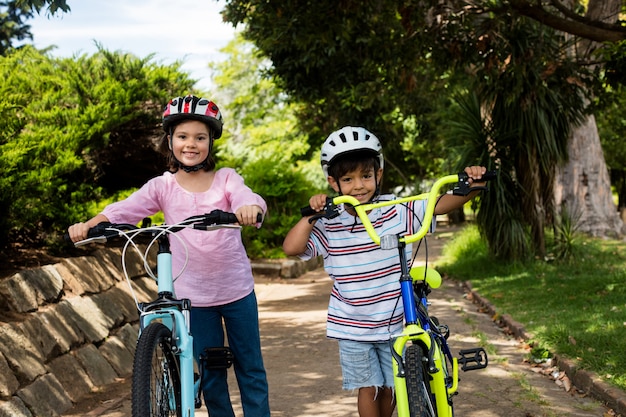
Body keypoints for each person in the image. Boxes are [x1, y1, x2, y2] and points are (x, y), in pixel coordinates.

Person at [68, 94, 271, 417]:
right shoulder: (163, 187)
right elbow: (125, 209)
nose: (191, 144)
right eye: (183, 136)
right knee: (210, 373)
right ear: (170, 140)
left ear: (210, 142)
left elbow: (248, 197)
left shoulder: (226, 179)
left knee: (250, 368)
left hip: (236, 291)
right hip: (194, 297)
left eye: (200, 137)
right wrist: (91, 225)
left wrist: (249, 208)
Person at [282, 126, 486, 417]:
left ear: (378, 174)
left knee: (394, 385)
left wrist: (473, 185)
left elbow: (438, 204)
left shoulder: (396, 209)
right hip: (353, 324)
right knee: (369, 388)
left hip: (395, 320)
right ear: (333, 182)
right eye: (348, 179)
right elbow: (291, 248)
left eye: (366, 176)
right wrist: (310, 216)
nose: (359, 186)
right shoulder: (330, 223)